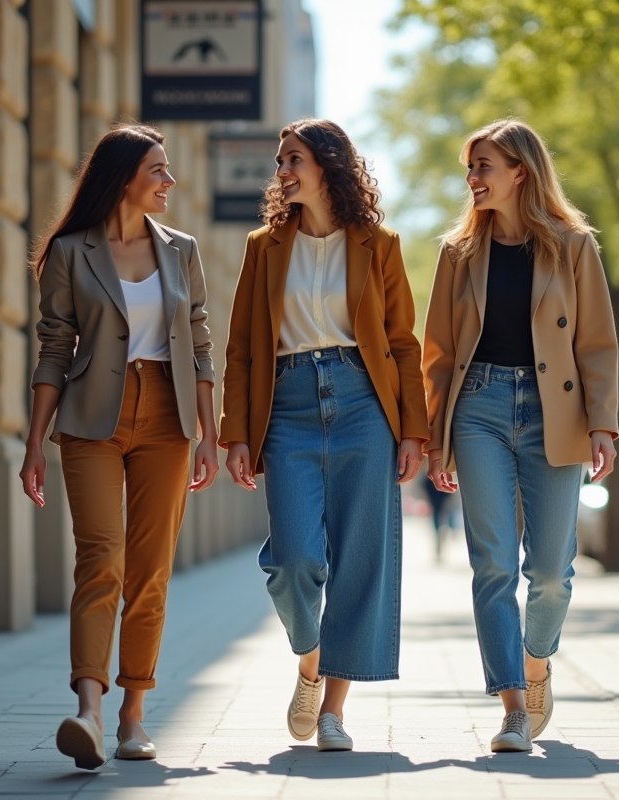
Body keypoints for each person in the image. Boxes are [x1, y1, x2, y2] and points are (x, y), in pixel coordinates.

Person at [219, 119, 429, 752]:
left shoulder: (378, 244)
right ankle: (309, 660)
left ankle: (333, 710)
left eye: (294, 158)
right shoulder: (264, 246)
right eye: (281, 159)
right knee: (294, 558)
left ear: (327, 166)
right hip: (287, 405)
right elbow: (241, 350)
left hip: (365, 402)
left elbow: (401, 344)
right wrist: (235, 433)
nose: (283, 169)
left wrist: (413, 430)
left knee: (361, 560)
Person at [20, 124, 220, 769]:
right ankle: (89, 708)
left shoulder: (181, 249)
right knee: (99, 560)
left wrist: (210, 433)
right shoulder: (71, 251)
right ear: (124, 177)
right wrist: (32, 444)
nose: (169, 181)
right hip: (90, 420)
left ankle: (134, 714)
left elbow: (199, 344)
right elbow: (54, 349)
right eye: (157, 170)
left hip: (168, 417)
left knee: (151, 571)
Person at [422, 119, 619, 753]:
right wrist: (436, 438)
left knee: (553, 573)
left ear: (520, 173)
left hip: (553, 413)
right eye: (470, 168)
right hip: (477, 406)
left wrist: (604, 425)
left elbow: (596, 344)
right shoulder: (458, 254)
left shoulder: (572, 245)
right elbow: (439, 354)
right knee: (492, 565)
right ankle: (511, 707)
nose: (473, 179)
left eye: (484, 166)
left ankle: (536, 662)